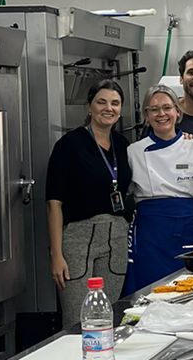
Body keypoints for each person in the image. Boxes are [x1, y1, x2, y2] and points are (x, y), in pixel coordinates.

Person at [46, 79, 133, 325]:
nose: (109, 108)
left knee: (108, 316)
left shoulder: (123, 145)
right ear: (89, 107)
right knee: (78, 319)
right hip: (78, 238)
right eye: (101, 102)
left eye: (115, 103)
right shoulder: (69, 145)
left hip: (115, 237)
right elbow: (54, 204)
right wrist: (56, 254)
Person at [122, 84, 193, 296]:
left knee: (190, 291)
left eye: (167, 107)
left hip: (189, 228)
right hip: (150, 232)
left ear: (177, 111)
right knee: (150, 291)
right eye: (154, 109)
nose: (161, 114)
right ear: (146, 115)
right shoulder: (134, 151)